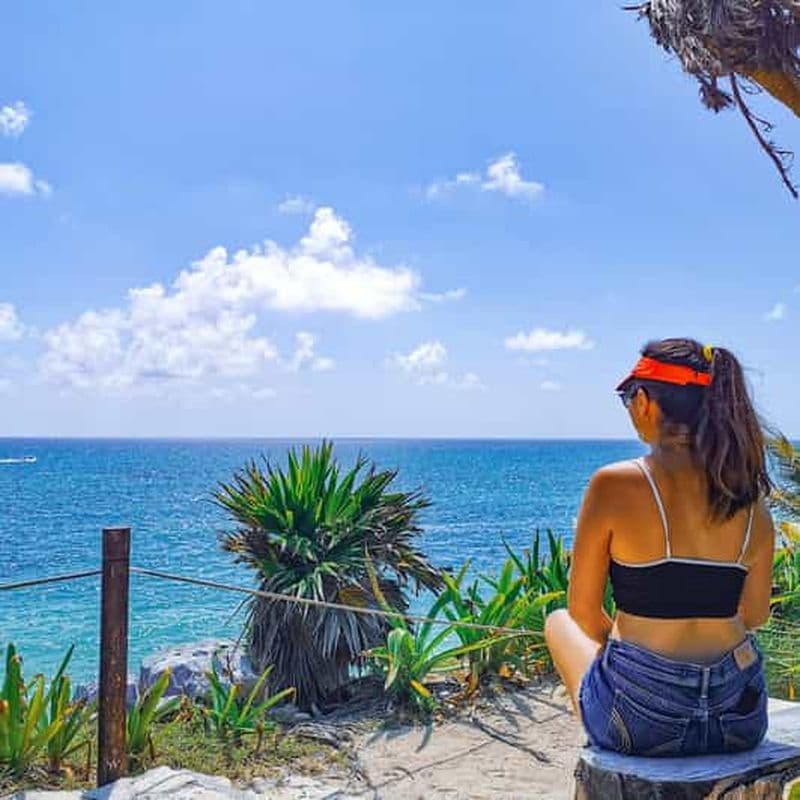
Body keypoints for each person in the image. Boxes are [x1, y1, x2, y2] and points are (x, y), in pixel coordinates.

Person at [544, 338, 775, 756]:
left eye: (628, 397)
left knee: (558, 621)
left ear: (645, 401)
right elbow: (755, 615)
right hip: (739, 719)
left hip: (642, 721)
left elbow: (582, 610)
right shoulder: (749, 499)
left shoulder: (614, 484)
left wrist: (637, 662)